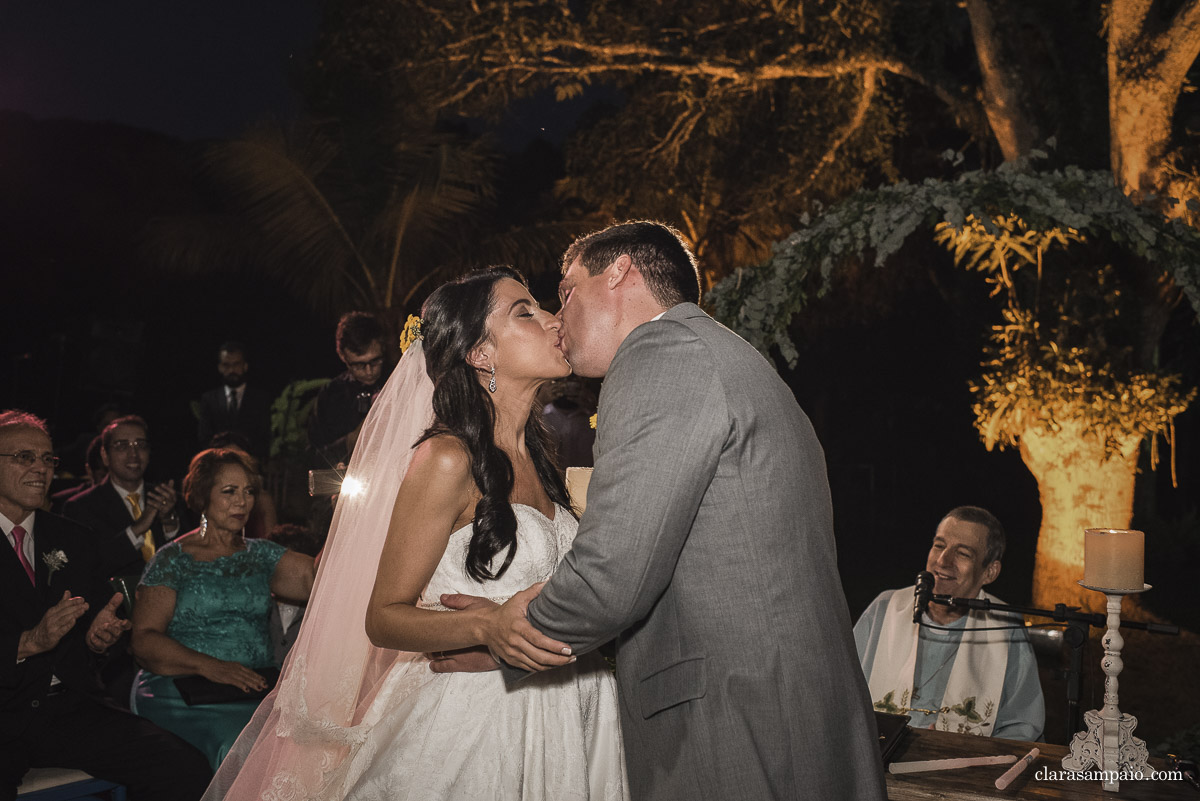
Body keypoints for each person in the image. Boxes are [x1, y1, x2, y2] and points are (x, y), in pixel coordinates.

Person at [441, 222, 887, 801]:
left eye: (567, 290)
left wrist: (506, 639)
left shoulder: (661, 354)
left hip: (737, 725)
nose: (558, 317)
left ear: (620, 272)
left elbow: (614, 573)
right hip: (778, 709)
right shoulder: (720, 355)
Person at [204, 268, 627, 800]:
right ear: (480, 354)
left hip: (575, 705)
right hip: (479, 721)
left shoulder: (542, 457)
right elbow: (385, 616)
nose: (553, 318)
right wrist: (488, 626)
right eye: (526, 312)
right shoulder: (448, 458)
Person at [0, 409, 213, 801]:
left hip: (69, 708)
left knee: (186, 769)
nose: (40, 468)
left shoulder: (72, 538)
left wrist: (98, 639)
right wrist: (26, 643)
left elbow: (96, 628)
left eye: (47, 458)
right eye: (23, 457)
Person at [130, 448, 317, 770]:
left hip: (253, 686)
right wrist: (211, 666)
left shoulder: (262, 555)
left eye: (248, 492)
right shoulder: (173, 558)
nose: (242, 502)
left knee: (310, 742)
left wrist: (349, 514)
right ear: (203, 496)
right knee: (240, 747)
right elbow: (144, 640)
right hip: (182, 687)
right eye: (229, 491)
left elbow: (324, 576)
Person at [853, 506, 1045, 740]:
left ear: (989, 572)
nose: (943, 561)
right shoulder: (885, 609)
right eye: (939, 545)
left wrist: (960, 749)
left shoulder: (1004, 626)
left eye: (963, 553)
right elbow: (841, 692)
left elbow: (1022, 728)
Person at [62, 415, 181, 581]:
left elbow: (192, 558)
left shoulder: (166, 496)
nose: (133, 454)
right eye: (122, 446)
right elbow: (87, 567)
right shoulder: (81, 507)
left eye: (140, 445)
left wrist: (169, 522)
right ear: (105, 455)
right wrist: (137, 529)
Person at [308, 311, 390, 469]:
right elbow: (313, 455)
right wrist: (349, 441)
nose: (369, 371)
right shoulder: (331, 393)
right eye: (359, 365)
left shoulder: (396, 381)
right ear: (343, 357)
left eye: (375, 361)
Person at [196, 342, 272, 462]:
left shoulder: (260, 399)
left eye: (236, 364)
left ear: (245, 366)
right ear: (220, 367)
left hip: (251, 465)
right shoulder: (209, 399)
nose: (232, 370)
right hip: (218, 464)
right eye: (226, 365)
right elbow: (204, 438)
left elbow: (264, 438)